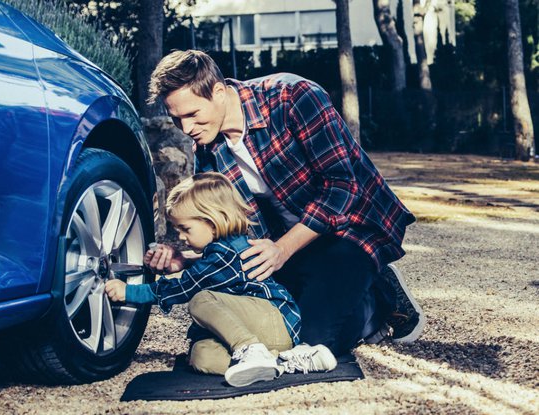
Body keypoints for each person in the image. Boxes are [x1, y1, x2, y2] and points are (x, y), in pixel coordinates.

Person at [145, 50, 424, 359]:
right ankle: (341, 286)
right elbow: (225, 231)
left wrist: (282, 250)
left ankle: (380, 296)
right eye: (177, 119)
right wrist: (184, 259)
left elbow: (343, 186)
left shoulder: (294, 97)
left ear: (219, 92)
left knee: (314, 342)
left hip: (353, 229)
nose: (186, 129)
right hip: (288, 244)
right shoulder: (209, 151)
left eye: (193, 114)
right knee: (278, 320)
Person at [105, 172, 337, 387]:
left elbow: (181, 288)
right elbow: (203, 275)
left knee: (200, 299)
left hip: (274, 321)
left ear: (212, 221)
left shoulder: (225, 254)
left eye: (185, 228)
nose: (181, 237)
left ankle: (250, 348)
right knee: (201, 355)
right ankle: (283, 362)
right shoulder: (217, 255)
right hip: (261, 329)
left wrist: (129, 292)